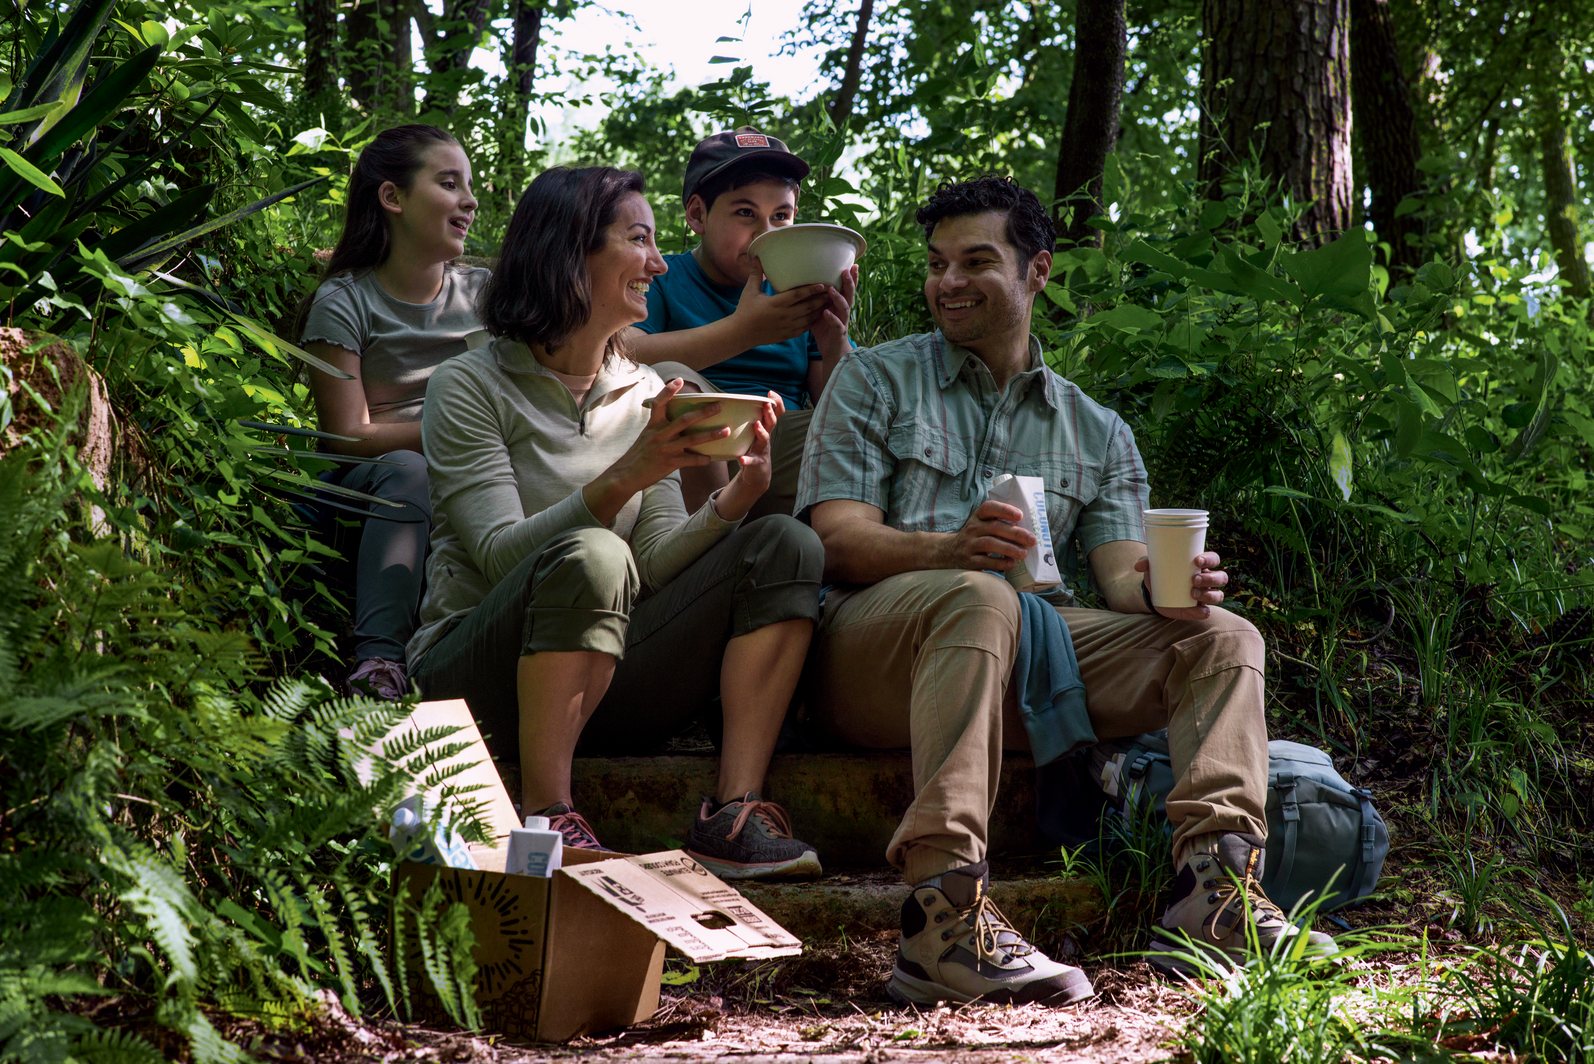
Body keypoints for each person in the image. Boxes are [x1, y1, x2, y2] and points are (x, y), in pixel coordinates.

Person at [796, 176, 1337, 1005]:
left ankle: (1216, 894)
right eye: (938, 264)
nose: (949, 282)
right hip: (870, 657)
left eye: (977, 261)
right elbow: (832, 539)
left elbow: (1123, 579)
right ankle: (943, 916)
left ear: (1037, 271)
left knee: (1225, 637)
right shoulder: (874, 380)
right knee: (980, 595)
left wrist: (1173, 589)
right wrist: (951, 548)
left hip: (1018, 658)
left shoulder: (1096, 427)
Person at [406, 165, 824, 881]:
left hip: (608, 678)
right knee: (595, 552)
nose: (660, 265)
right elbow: (503, 559)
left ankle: (733, 812)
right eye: (639, 240)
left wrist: (733, 502)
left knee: (783, 542)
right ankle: (547, 815)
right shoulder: (468, 385)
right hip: (477, 676)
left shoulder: (644, 389)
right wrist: (631, 471)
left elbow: (654, 561)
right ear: (570, 252)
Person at [297, 124, 489, 701]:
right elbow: (347, 435)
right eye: (450, 183)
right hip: (375, 477)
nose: (470, 201)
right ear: (392, 198)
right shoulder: (345, 299)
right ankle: (377, 663)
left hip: (468, 463)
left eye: (470, 186)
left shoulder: (484, 293)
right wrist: (453, 435)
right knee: (411, 469)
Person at [625, 126, 856, 519]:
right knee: (672, 378)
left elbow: (841, 407)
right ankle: (708, 548)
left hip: (779, 454)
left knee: (864, 418)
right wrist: (743, 332)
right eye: (745, 213)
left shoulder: (799, 291)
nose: (764, 233)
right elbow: (622, 350)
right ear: (698, 214)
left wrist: (834, 338)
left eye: (781, 216)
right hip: (694, 463)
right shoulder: (663, 278)